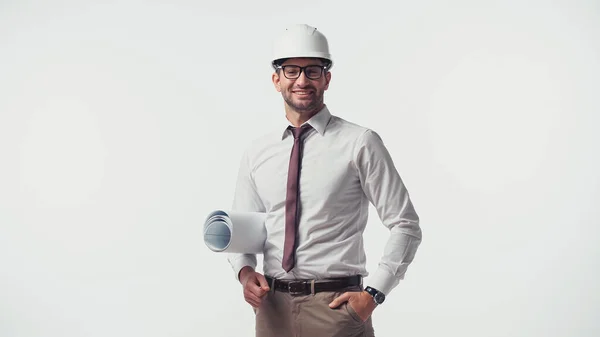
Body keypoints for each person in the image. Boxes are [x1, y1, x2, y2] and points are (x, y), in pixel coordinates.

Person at [227, 24, 422, 337]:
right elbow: (242, 231)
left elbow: (405, 224)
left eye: (313, 70)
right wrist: (245, 271)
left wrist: (372, 295)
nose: (302, 80)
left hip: (336, 309)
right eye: (291, 70)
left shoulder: (360, 142)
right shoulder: (258, 152)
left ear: (327, 78)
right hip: (271, 309)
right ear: (276, 80)